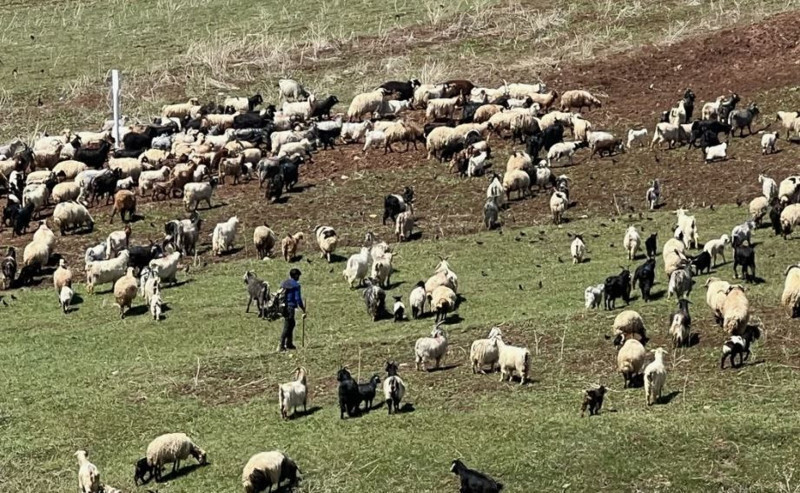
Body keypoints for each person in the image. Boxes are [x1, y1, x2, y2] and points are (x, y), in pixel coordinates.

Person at [279, 268, 306, 351]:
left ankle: (289, 343)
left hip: (282, 307)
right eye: (298, 276)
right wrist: (303, 308)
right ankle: (281, 345)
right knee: (287, 326)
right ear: (296, 275)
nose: (299, 278)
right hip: (290, 307)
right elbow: (298, 299)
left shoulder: (284, 283)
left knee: (291, 324)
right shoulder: (296, 285)